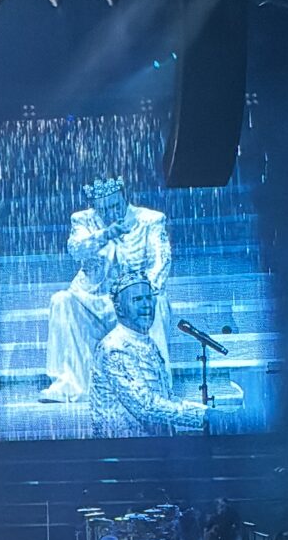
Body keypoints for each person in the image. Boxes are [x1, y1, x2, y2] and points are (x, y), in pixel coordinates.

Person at [41, 176, 172, 403]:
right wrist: (106, 234)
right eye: (103, 210)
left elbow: (161, 261)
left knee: (155, 302)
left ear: (124, 199)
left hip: (132, 298)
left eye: (115, 206)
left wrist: (144, 291)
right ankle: (69, 384)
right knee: (61, 301)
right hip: (92, 298)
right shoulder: (83, 220)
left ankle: (153, 385)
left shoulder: (150, 220)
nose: (111, 213)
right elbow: (76, 249)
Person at [90, 270, 207, 437]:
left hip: (152, 444)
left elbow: (166, 398)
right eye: (137, 299)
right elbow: (146, 406)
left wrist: (204, 411)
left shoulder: (148, 343)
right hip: (124, 446)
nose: (147, 305)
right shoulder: (114, 347)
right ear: (119, 309)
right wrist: (204, 416)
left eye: (148, 298)